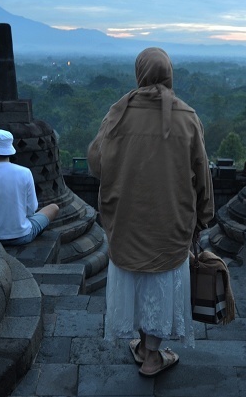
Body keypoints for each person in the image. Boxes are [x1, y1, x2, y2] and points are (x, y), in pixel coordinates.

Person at [87, 47, 214, 378]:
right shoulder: (187, 117)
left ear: (139, 73)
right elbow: (202, 174)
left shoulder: (118, 114)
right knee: (159, 281)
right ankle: (152, 355)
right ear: (169, 73)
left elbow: (96, 163)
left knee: (137, 280)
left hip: (127, 215)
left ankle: (145, 347)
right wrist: (203, 216)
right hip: (170, 218)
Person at [0, 129, 59, 245]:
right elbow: (31, 208)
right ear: (10, 150)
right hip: (22, 236)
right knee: (53, 208)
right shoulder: (25, 172)